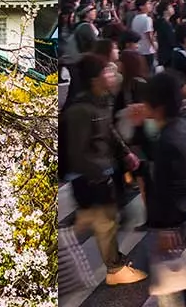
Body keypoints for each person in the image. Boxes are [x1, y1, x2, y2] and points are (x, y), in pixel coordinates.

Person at [61, 53, 147, 285]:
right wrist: (102, 172)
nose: (112, 74)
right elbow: (77, 153)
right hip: (90, 177)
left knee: (96, 220)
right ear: (94, 79)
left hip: (101, 173)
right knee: (104, 222)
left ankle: (112, 263)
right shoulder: (80, 110)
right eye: (106, 72)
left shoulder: (102, 100)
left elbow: (109, 131)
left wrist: (125, 153)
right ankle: (114, 269)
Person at [142, 71, 186, 307]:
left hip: (169, 221)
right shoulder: (183, 126)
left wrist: (165, 225)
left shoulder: (167, 139)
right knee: (180, 273)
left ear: (157, 106)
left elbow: (168, 184)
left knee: (170, 287)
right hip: (184, 211)